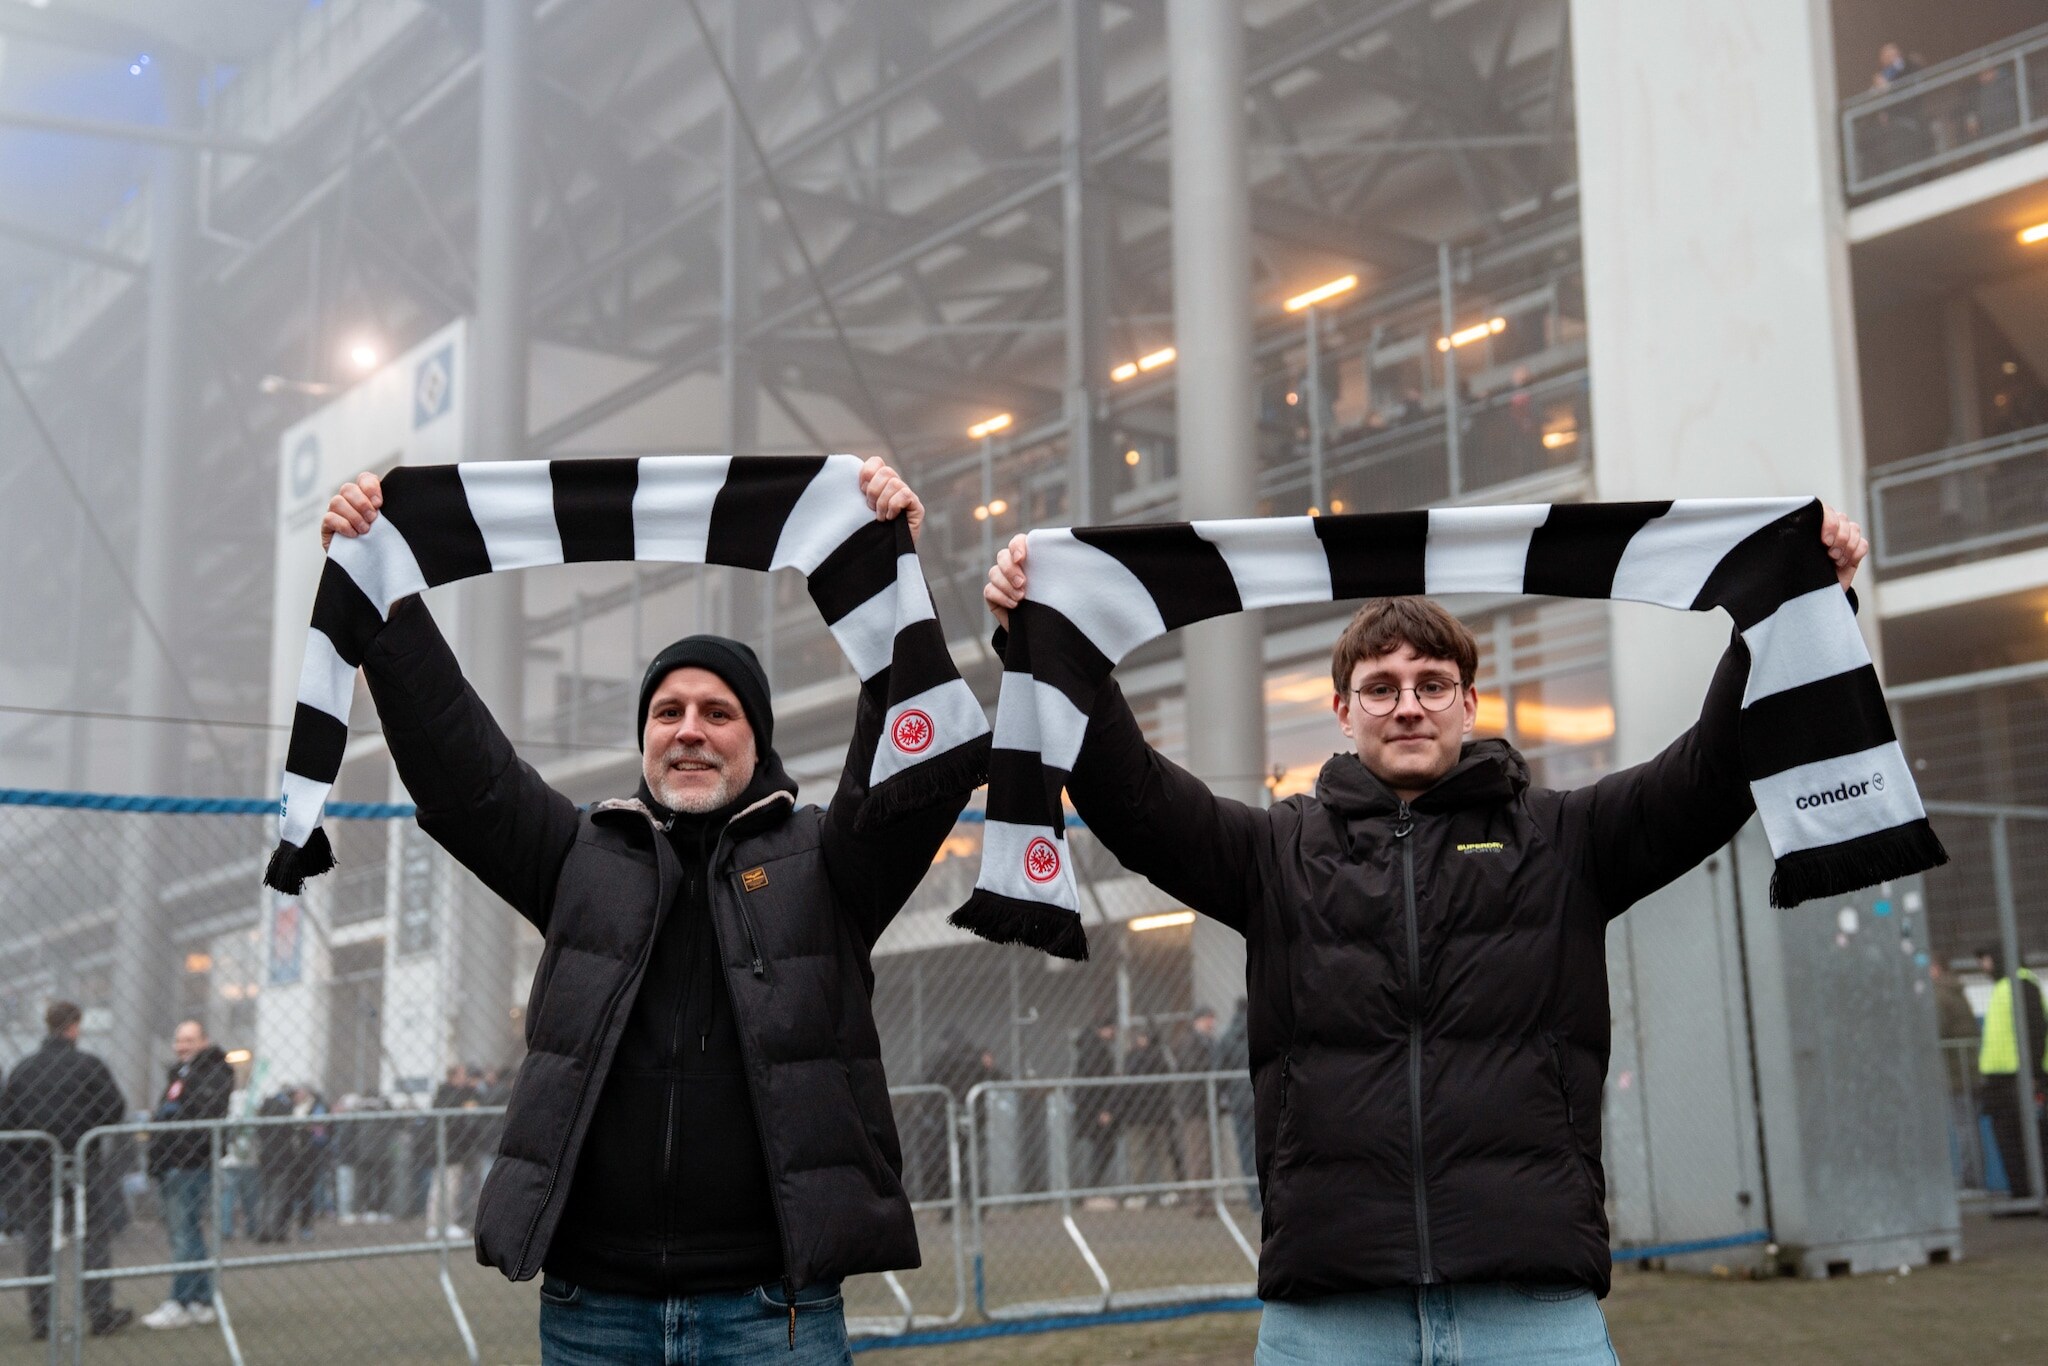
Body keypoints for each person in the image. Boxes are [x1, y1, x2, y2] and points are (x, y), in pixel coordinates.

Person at [985, 507, 1870, 1362]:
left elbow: (1716, 772)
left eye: (1431, 684)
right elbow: (1130, 797)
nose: (1408, 705)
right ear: (1343, 710)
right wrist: (1050, 634)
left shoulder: (1568, 839)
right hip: (1332, 1309)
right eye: (1380, 687)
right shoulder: (1273, 852)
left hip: (1530, 1305)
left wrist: (1784, 607)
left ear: (1468, 702)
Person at [321, 457, 969, 1365]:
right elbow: (463, 775)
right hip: (596, 1313)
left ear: (758, 739)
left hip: (770, 1313)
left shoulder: (828, 864)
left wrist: (887, 575)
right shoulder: (578, 855)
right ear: (644, 740)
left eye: (717, 711)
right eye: (667, 711)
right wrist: (385, 602)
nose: (689, 728)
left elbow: (916, 777)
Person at [0, 1001, 133, 1338]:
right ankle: (99, 1310)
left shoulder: (24, 1069)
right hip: (83, 1160)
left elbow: (8, 1119)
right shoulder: (88, 1066)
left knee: (39, 1239)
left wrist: (31, 1152)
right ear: (74, 1026)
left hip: (41, 1164)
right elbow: (114, 1108)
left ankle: (41, 1318)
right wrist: (87, 1134)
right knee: (92, 1235)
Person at [141, 1020, 233, 1331]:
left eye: (189, 1040)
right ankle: (201, 1299)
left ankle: (181, 1301)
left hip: (191, 1163)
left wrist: (174, 1118)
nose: (182, 1046)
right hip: (173, 1162)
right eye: (179, 1040)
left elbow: (205, 1111)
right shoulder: (178, 1073)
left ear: (204, 1041)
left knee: (184, 1233)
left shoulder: (214, 1072)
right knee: (187, 1232)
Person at [1975, 944, 2047, 1199]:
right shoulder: (2006, 987)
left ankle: (2034, 1194)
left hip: (2018, 1077)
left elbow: (2035, 1031)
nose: (1983, 966)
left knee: (2030, 1139)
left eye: (1986, 960)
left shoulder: (2022, 985)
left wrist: (2033, 1075)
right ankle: (2022, 1195)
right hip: (2002, 1080)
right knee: (2011, 1139)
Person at [1073, 1020, 1124, 1205]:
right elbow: (1098, 1085)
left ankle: (1092, 1189)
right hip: (1097, 1109)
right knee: (1102, 1149)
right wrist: (1105, 1110)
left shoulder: (1089, 1047)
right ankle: (1092, 1190)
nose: (1114, 1034)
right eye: (1112, 1029)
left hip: (1090, 1109)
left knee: (1100, 1149)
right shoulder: (1096, 1050)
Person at [426, 1065, 478, 1240]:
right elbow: (454, 1119)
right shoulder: (448, 1094)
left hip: (453, 1149)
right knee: (445, 1188)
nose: (465, 1078)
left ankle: (440, 1224)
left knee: (448, 1187)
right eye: (462, 1074)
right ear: (453, 1076)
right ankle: (441, 1224)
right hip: (448, 1150)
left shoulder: (451, 1093)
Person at [1217, 999, 1259, 1213]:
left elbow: (1219, 1072)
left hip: (1239, 1103)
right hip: (1262, 1098)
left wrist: (1222, 1099)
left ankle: (1255, 1199)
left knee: (1246, 1150)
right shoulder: (1263, 1029)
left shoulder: (1227, 1038)